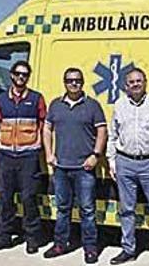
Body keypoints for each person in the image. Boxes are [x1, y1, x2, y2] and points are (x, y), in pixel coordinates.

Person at [106, 68, 149, 266]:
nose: (135, 84)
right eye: (131, 82)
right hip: (124, 162)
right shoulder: (119, 105)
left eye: (139, 81)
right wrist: (112, 160)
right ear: (125, 86)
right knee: (126, 210)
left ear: (145, 82)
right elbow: (113, 135)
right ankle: (128, 249)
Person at [42, 67, 107, 264]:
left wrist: (96, 155)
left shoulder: (92, 105)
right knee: (63, 208)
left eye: (77, 80)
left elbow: (102, 131)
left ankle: (90, 248)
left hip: (84, 168)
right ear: (65, 82)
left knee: (87, 210)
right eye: (70, 80)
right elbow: (46, 129)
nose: (74, 83)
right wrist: (49, 154)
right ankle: (60, 244)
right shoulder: (55, 105)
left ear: (83, 82)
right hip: (61, 167)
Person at [0, 60, 48, 254]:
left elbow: (43, 125)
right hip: (6, 156)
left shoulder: (36, 98)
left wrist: (41, 152)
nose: (21, 77)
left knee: (29, 198)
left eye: (25, 75)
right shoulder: (1, 99)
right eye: (18, 74)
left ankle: (32, 237)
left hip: (28, 156)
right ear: (12, 75)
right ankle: (4, 236)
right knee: (5, 198)